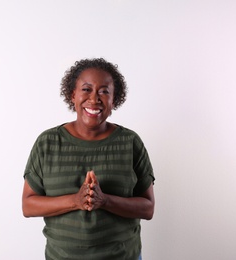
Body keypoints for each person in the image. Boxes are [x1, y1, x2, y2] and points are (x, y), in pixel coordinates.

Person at [22, 58, 155, 260]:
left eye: (104, 91)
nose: (94, 99)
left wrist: (105, 200)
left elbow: (148, 208)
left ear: (114, 99)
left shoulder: (130, 142)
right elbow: (28, 206)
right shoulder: (47, 143)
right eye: (86, 89)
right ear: (72, 94)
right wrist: (75, 201)